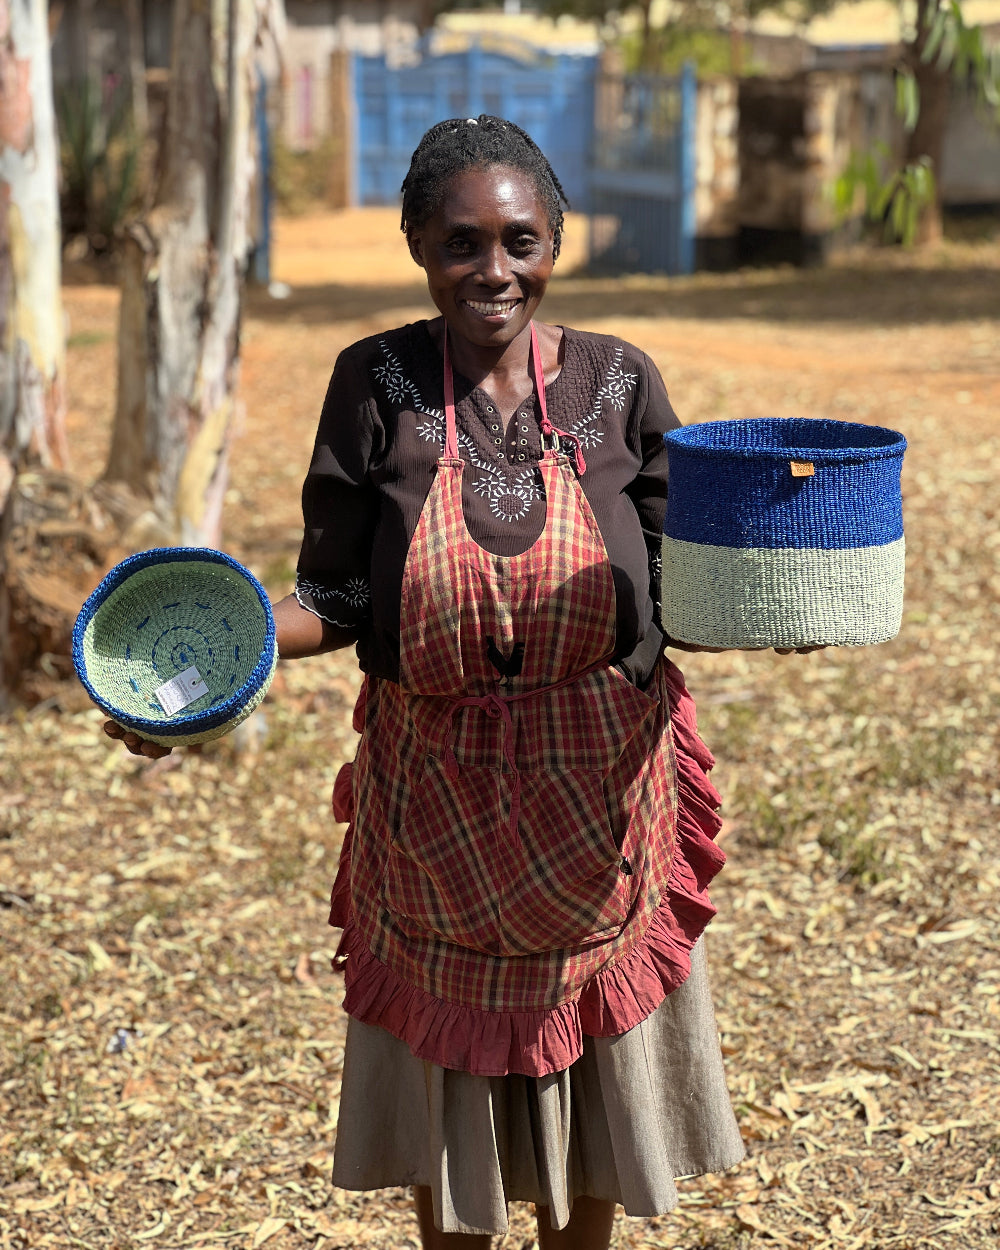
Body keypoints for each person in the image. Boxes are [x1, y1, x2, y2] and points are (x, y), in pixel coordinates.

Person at [107, 116, 811, 1248]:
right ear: (418, 249)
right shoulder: (373, 382)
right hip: (435, 812)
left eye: (520, 241)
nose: (494, 270)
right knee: (457, 1131)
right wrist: (199, 677)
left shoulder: (619, 380)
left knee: (593, 1117)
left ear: (556, 242)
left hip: (600, 811)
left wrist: (780, 607)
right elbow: (335, 595)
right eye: (462, 243)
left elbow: (685, 583)